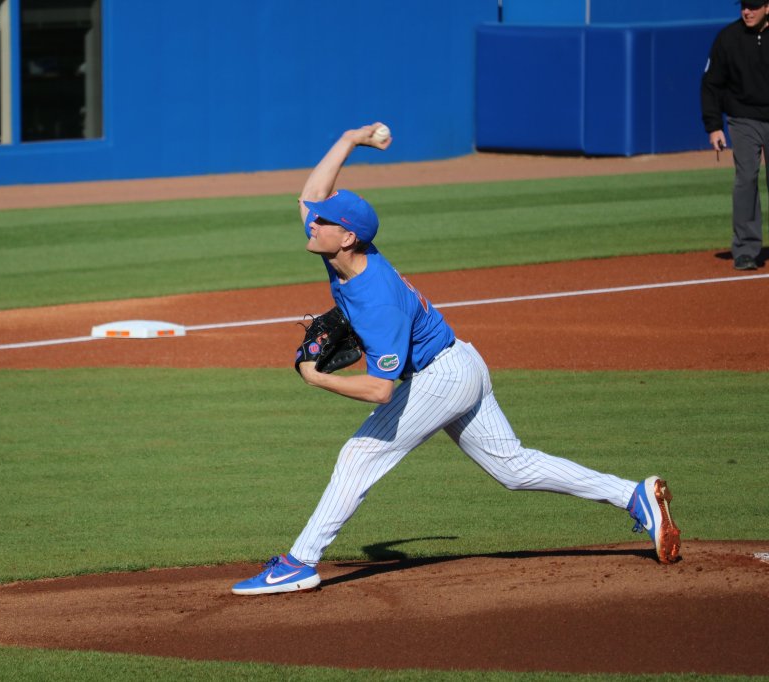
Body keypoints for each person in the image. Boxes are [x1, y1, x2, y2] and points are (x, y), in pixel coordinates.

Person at [231, 123, 682, 596]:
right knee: (514, 468)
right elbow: (310, 194)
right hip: (461, 364)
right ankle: (633, 494)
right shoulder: (342, 253)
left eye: (322, 222)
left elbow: (382, 389)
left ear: (346, 237)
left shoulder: (377, 300)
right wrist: (349, 139)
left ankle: (300, 562)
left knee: (359, 455)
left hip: (441, 378)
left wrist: (315, 379)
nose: (311, 222)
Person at [701, 1, 769, 271]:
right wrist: (713, 126)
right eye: (744, 6)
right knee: (746, 179)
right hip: (744, 118)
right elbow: (711, 84)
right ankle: (745, 249)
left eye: (754, 6)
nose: (747, 11)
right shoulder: (728, 38)